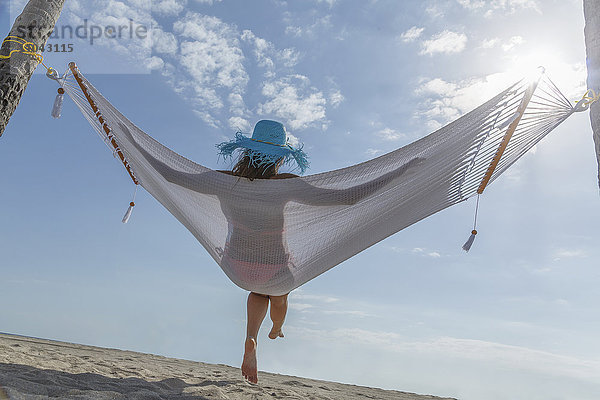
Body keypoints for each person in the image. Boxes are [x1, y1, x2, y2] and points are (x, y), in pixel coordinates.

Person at [119, 119, 423, 384]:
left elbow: (171, 175)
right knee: (278, 294)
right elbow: (347, 198)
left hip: (236, 264)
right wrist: (400, 172)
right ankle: (276, 328)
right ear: (280, 157)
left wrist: (131, 144)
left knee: (255, 290)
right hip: (275, 266)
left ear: (248, 150)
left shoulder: (224, 181)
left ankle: (251, 338)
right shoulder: (285, 185)